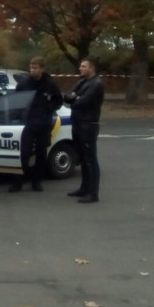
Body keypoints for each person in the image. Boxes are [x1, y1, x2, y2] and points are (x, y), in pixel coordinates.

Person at [10, 56, 63, 192]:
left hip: (44, 124)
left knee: (41, 153)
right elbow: (16, 101)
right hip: (27, 123)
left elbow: (58, 101)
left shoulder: (50, 84)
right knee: (25, 152)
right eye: (31, 68)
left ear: (42, 69)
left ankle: (36, 181)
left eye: (35, 68)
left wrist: (49, 108)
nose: (32, 70)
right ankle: (18, 182)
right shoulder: (24, 83)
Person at [63, 56, 104, 203]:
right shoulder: (82, 81)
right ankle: (84, 188)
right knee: (82, 158)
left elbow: (80, 103)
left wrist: (75, 98)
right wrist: (74, 97)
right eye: (80, 66)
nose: (80, 68)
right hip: (78, 123)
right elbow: (67, 97)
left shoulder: (96, 84)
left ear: (92, 68)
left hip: (88, 125)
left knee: (90, 159)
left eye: (83, 66)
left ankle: (93, 193)